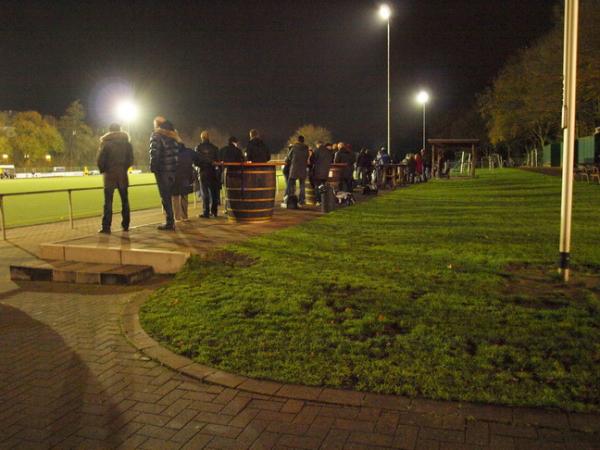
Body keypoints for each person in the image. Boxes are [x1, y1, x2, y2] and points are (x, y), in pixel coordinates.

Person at [96, 123, 133, 234]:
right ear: (120, 130)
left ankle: (106, 227)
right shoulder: (127, 143)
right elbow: (131, 159)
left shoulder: (105, 143)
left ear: (109, 131)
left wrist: (104, 170)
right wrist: (123, 168)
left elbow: (100, 160)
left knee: (108, 202)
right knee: (125, 201)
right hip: (122, 174)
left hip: (110, 175)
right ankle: (126, 225)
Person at [149, 117, 180, 231]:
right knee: (169, 196)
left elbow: (154, 153)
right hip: (172, 170)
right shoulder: (174, 136)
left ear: (157, 125)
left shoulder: (156, 135)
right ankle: (171, 221)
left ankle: (169, 222)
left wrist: (153, 168)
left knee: (165, 197)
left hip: (162, 170)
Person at [195, 130, 220, 218]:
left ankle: (206, 212)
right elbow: (218, 161)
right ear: (208, 137)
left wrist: (202, 164)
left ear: (202, 137)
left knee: (205, 193)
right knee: (214, 193)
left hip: (203, 171)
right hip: (212, 171)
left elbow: (197, 161)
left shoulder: (198, 147)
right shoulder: (215, 148)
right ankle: (214, 211)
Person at [172, 144, 197, 222]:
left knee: (175, 196)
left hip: (175, 177)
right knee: (184, 196)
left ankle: (177, 217)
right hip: (185, 177)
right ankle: (185, 216)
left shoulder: (172, 151)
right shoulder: (188, 152)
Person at [285, 135, 309, 205]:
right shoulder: (306, 147)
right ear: (303, 140)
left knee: (290, 184)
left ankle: (290, 199)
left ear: (297, 140)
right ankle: (301, 200)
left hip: (294, 169)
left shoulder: (294, 147)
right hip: (303, 168)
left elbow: (289, 157)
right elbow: (307, 156)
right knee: (302, 185)